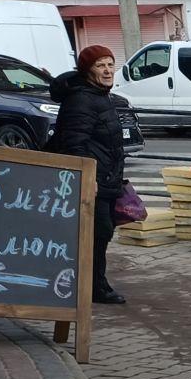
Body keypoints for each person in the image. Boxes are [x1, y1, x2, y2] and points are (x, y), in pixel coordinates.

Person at [48, 45, 132, 306]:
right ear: (87, 71)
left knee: (101, 233)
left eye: (110, 64)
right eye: (100, 66)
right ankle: (94, 287)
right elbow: (75, 142)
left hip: (105, 178)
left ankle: (94, 284)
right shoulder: (82, 99)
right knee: (97, 233)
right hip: (91, 182)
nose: (107, 71)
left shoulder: (99, 95)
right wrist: (88, 178)